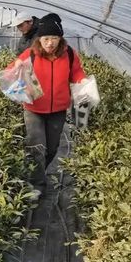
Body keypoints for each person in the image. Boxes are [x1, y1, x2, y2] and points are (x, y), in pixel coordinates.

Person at [11, 13, 86, 191]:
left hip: (58, 109)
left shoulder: (68, 54)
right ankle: (36, 185)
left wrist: (82, 81)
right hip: (34, 108)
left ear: (60, 39)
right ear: (40, 39)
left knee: (52, 148)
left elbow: (76, 72)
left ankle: (37, 172)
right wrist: (16, 69)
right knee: (36, 146)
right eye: (46, 38)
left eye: (54, 38)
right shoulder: (30, 54)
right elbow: (11, 70)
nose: (50, 43)